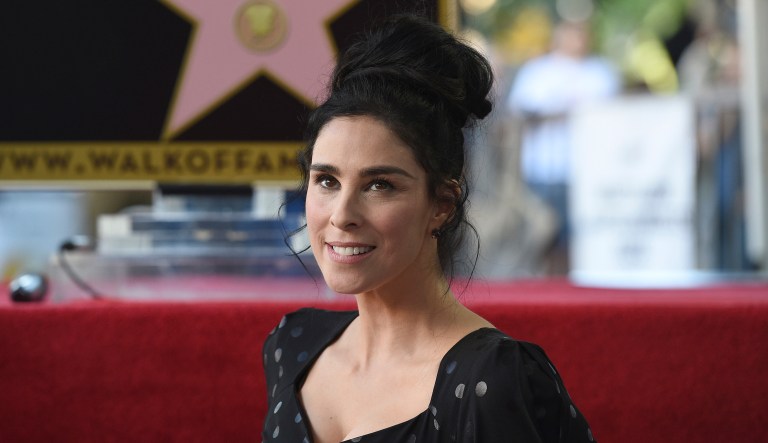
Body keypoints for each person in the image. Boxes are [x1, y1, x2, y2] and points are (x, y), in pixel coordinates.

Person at [262, 15, 595, 443]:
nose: (341, 214)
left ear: (441, 204)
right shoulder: (292, 345)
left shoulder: (492, 380)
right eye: (327, 180)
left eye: (379, 185)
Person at [507, 20, 620, 274]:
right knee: (546, 234)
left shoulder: (601, 72)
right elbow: (520, 112)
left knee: (583, 236)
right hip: (546, 169)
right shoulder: (538, 71)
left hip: (590, 169)